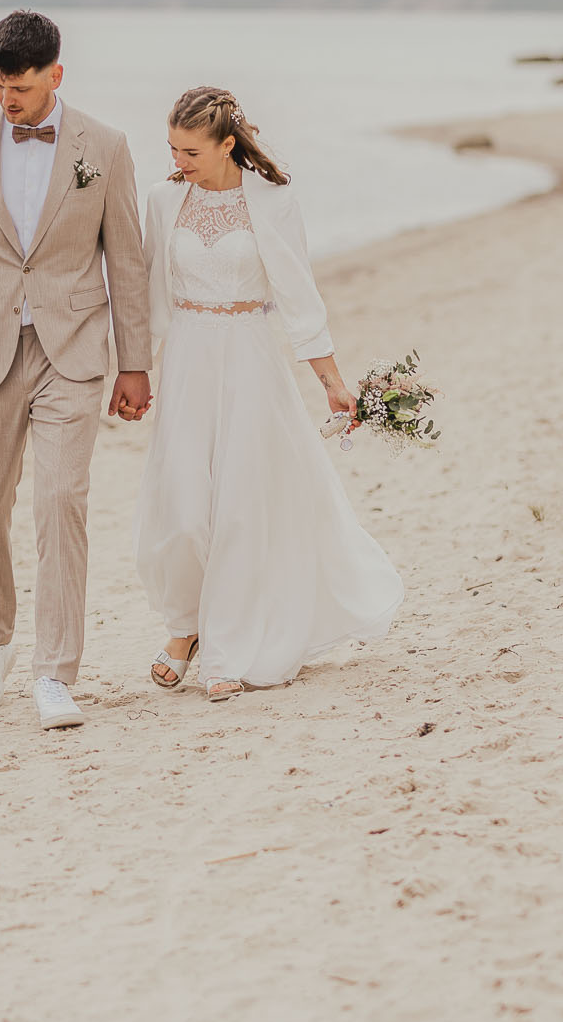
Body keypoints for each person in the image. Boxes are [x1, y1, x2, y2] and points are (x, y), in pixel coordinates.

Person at [0, 10, 153, 731]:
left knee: (61, 503)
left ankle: (55, 672)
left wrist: (135, 364)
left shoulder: (103, 146)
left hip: (72, 348)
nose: (6, 100)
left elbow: (126, 259)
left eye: (18, 87)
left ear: (55, 76)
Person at [134, 88, 402, 701]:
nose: (179, 161)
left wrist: (332, 383)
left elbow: (298, 296)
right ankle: (184, 625)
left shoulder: (273, 201)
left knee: (239, 509)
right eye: (172, 149)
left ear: (228, 144)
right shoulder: (163, 199)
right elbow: (151, 292)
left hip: (250, 359)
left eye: (191, 151)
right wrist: (137, 372)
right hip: (186, 364)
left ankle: (222, 643)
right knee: (180, 510)